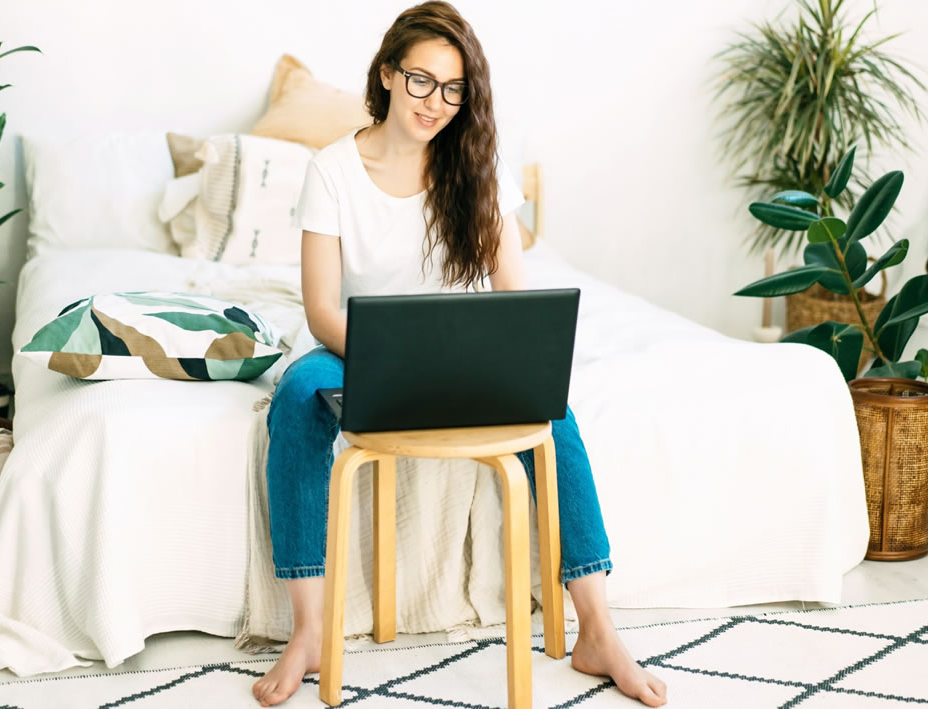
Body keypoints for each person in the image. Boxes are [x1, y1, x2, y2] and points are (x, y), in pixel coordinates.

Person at [252, 2, 667, 706]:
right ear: (386, 75)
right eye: (420, 81)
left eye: (452, 89)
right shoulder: (332, 171)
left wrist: (493, 356)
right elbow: (322, 308)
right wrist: (396, 356)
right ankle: (310, 629)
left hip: (459, 354)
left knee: (552, 406)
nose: (435, 102)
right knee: (295, 398)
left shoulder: (476, 167)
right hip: (356, 351)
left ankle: (598, 626)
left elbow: (513, 299)